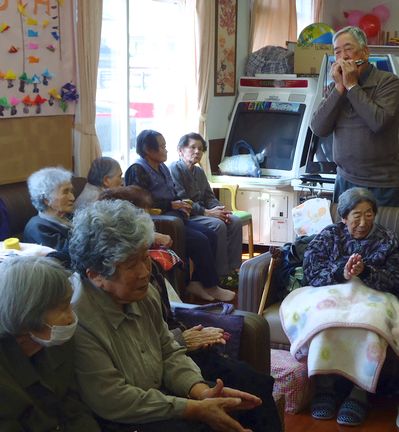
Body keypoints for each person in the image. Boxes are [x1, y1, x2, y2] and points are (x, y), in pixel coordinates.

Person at [69, 199, 264, 432]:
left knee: (251, 394)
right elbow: (113, 399)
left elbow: (169, 352)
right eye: (131, 264)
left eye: (145, 257)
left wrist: (200, 391)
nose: (144, 272)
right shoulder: (78, 318)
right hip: (121, 418)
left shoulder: (143, 293)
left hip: (161, 394)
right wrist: (193, 408)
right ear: (96, 275)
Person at [297, 187, 399, 426]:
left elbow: (395, 279)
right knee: (325, 317)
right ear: (343, 218)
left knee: (370, 322)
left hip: (374, 297)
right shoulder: (329, 235)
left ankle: (360, 393)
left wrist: (367, 272)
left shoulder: (387, 239)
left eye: (369, 214)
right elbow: (311, 272)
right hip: (333, 294)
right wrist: (341, 272)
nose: (363, 222)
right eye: (356, 216)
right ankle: (324, 388)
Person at [125, 129, 235, 302]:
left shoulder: (162, 168)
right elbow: (139, 204)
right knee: (200, 240)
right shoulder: (137, 170)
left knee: (210, 234)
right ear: (148, 150)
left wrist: (182, 203)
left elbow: (173, 194)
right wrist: (170, 204)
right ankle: (211, 286)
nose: (165, 150)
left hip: (175, 217)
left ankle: (199, 283)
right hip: (159, 222)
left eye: (165, 146)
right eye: (161, 147)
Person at [0, 256, 101, 431]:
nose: (71, 317)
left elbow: (75, 408)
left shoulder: (58, 343)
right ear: (27, 316)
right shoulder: (6, 380)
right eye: (63, 308)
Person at [310, 26, 399, 206]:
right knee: (343, 234)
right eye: (337, 52)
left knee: (381, 233)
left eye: (348, 49)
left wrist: (352, 87)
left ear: (365, 53)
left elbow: (378, 122)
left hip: (382, 184)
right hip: (345, 180)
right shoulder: (337, 87)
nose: (343, 57)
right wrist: (339, 89)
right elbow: (318, 128)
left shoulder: (388, 82)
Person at [169, 132, 243, 278]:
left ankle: (234, 270)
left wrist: (220, 210)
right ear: (180, 150)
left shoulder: (199, 171)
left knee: (234, 221)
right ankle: (220, 274)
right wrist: (208, 213)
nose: (197, 151)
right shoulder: (174, 169)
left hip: (205, 212)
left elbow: (209, 196)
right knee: (218, 225)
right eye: (192, 147)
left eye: (200, 149)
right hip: (188, 215)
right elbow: (183, 200)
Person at [24, 167, 74, 253]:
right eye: (65, 192)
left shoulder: (68, 215)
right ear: (46, 200)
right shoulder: (38, 228)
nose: (72, 197)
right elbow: (71, 255)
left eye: (71, 191)